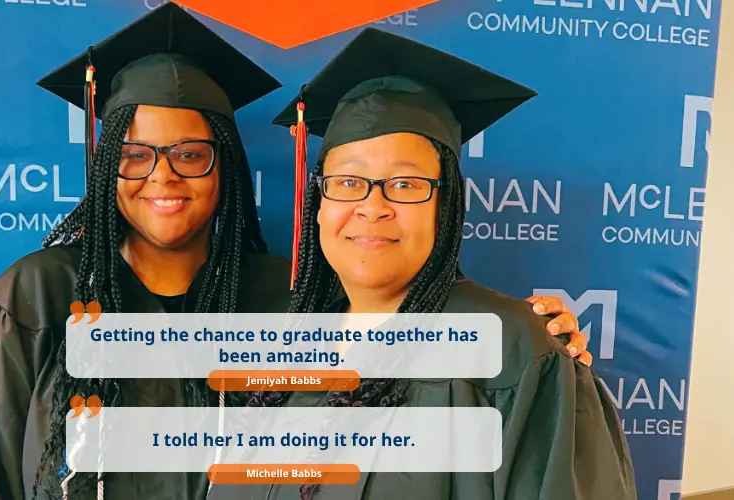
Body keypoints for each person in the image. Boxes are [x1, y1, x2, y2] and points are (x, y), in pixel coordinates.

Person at [0, 6, 591, 500]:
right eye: (133, 156)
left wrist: (538, 338)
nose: (163, 177)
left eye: (190, 154)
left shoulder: (288, 303)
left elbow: (403, 298)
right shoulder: (34, 303)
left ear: (228, 170)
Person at [229, 28, 637, 500]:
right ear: (318, 204)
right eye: (347, 181)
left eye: (405, 184)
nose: (372, 206)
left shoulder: (511, 350)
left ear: (446, 208)